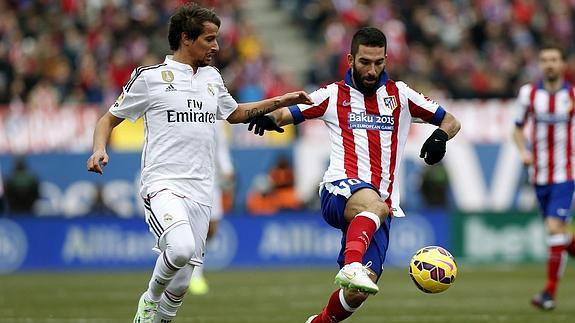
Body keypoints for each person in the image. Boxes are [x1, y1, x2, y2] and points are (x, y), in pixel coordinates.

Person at [86, 3, 312, 323]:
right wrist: (98, 149)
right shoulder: (150, 78)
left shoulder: (211, 78)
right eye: (209, 39)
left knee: (181, 282)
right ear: (185, 39)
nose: (216, 46)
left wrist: (280, 101)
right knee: (179, 249)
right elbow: (107, 120)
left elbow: (233, 114)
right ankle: (149, 300)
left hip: (202, 189)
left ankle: (160, 318)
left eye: (216, 38)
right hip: (163, 183)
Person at [247, 27, 460, 323]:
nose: (372, 70)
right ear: (350, 59)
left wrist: (440, 137)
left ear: (386, 59)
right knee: (373, 211)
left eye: (378, 62)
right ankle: (351, 264)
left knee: (360, 290)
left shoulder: (401, 95)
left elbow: (451, 121)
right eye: (365, 62)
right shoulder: (334, 95)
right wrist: (270, 117)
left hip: (377, 210)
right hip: (339, 190)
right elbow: (290, 113)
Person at [512, 43, 575, 311]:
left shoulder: (572, 94)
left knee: (553, 228)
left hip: (565, 173)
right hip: (539, 175)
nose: (550, 64)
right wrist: (523, 151)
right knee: (559, 234)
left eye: (554, 59)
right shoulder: (528, 94)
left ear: (562, 64)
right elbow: (516, 128)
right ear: (540, 63)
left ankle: (549, 293)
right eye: (545, 59)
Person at [187, 120, 235, 295]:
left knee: (211, 228)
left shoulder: (215, 113)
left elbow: (220, 143)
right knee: (191, 227)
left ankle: (190, 267)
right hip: (188, 176)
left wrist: (226, 166)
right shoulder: (186, 109)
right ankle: (195, 275)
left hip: (211, 177)